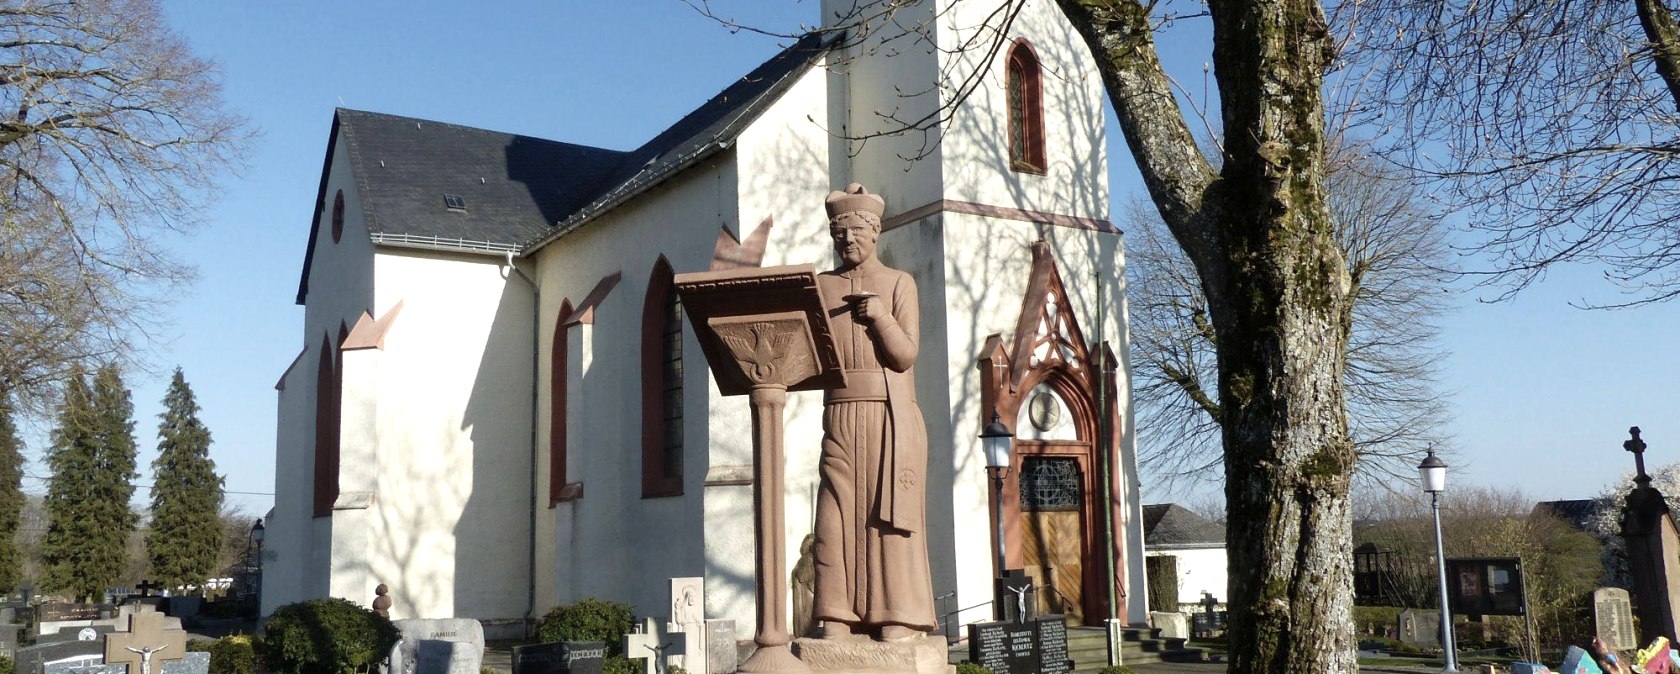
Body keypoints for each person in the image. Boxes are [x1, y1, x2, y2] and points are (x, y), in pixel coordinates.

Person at [812, 183, 936, 642]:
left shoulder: (899, 283)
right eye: (839, 234)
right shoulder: (821, 286)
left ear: (875, 232)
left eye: (856, 232)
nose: (847, 241)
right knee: (834, 518)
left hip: (889, 416)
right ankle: (836, 614)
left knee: (889, 520)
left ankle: (896, 615)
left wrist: (879, 316)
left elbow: (905, 355)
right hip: (840, 415)